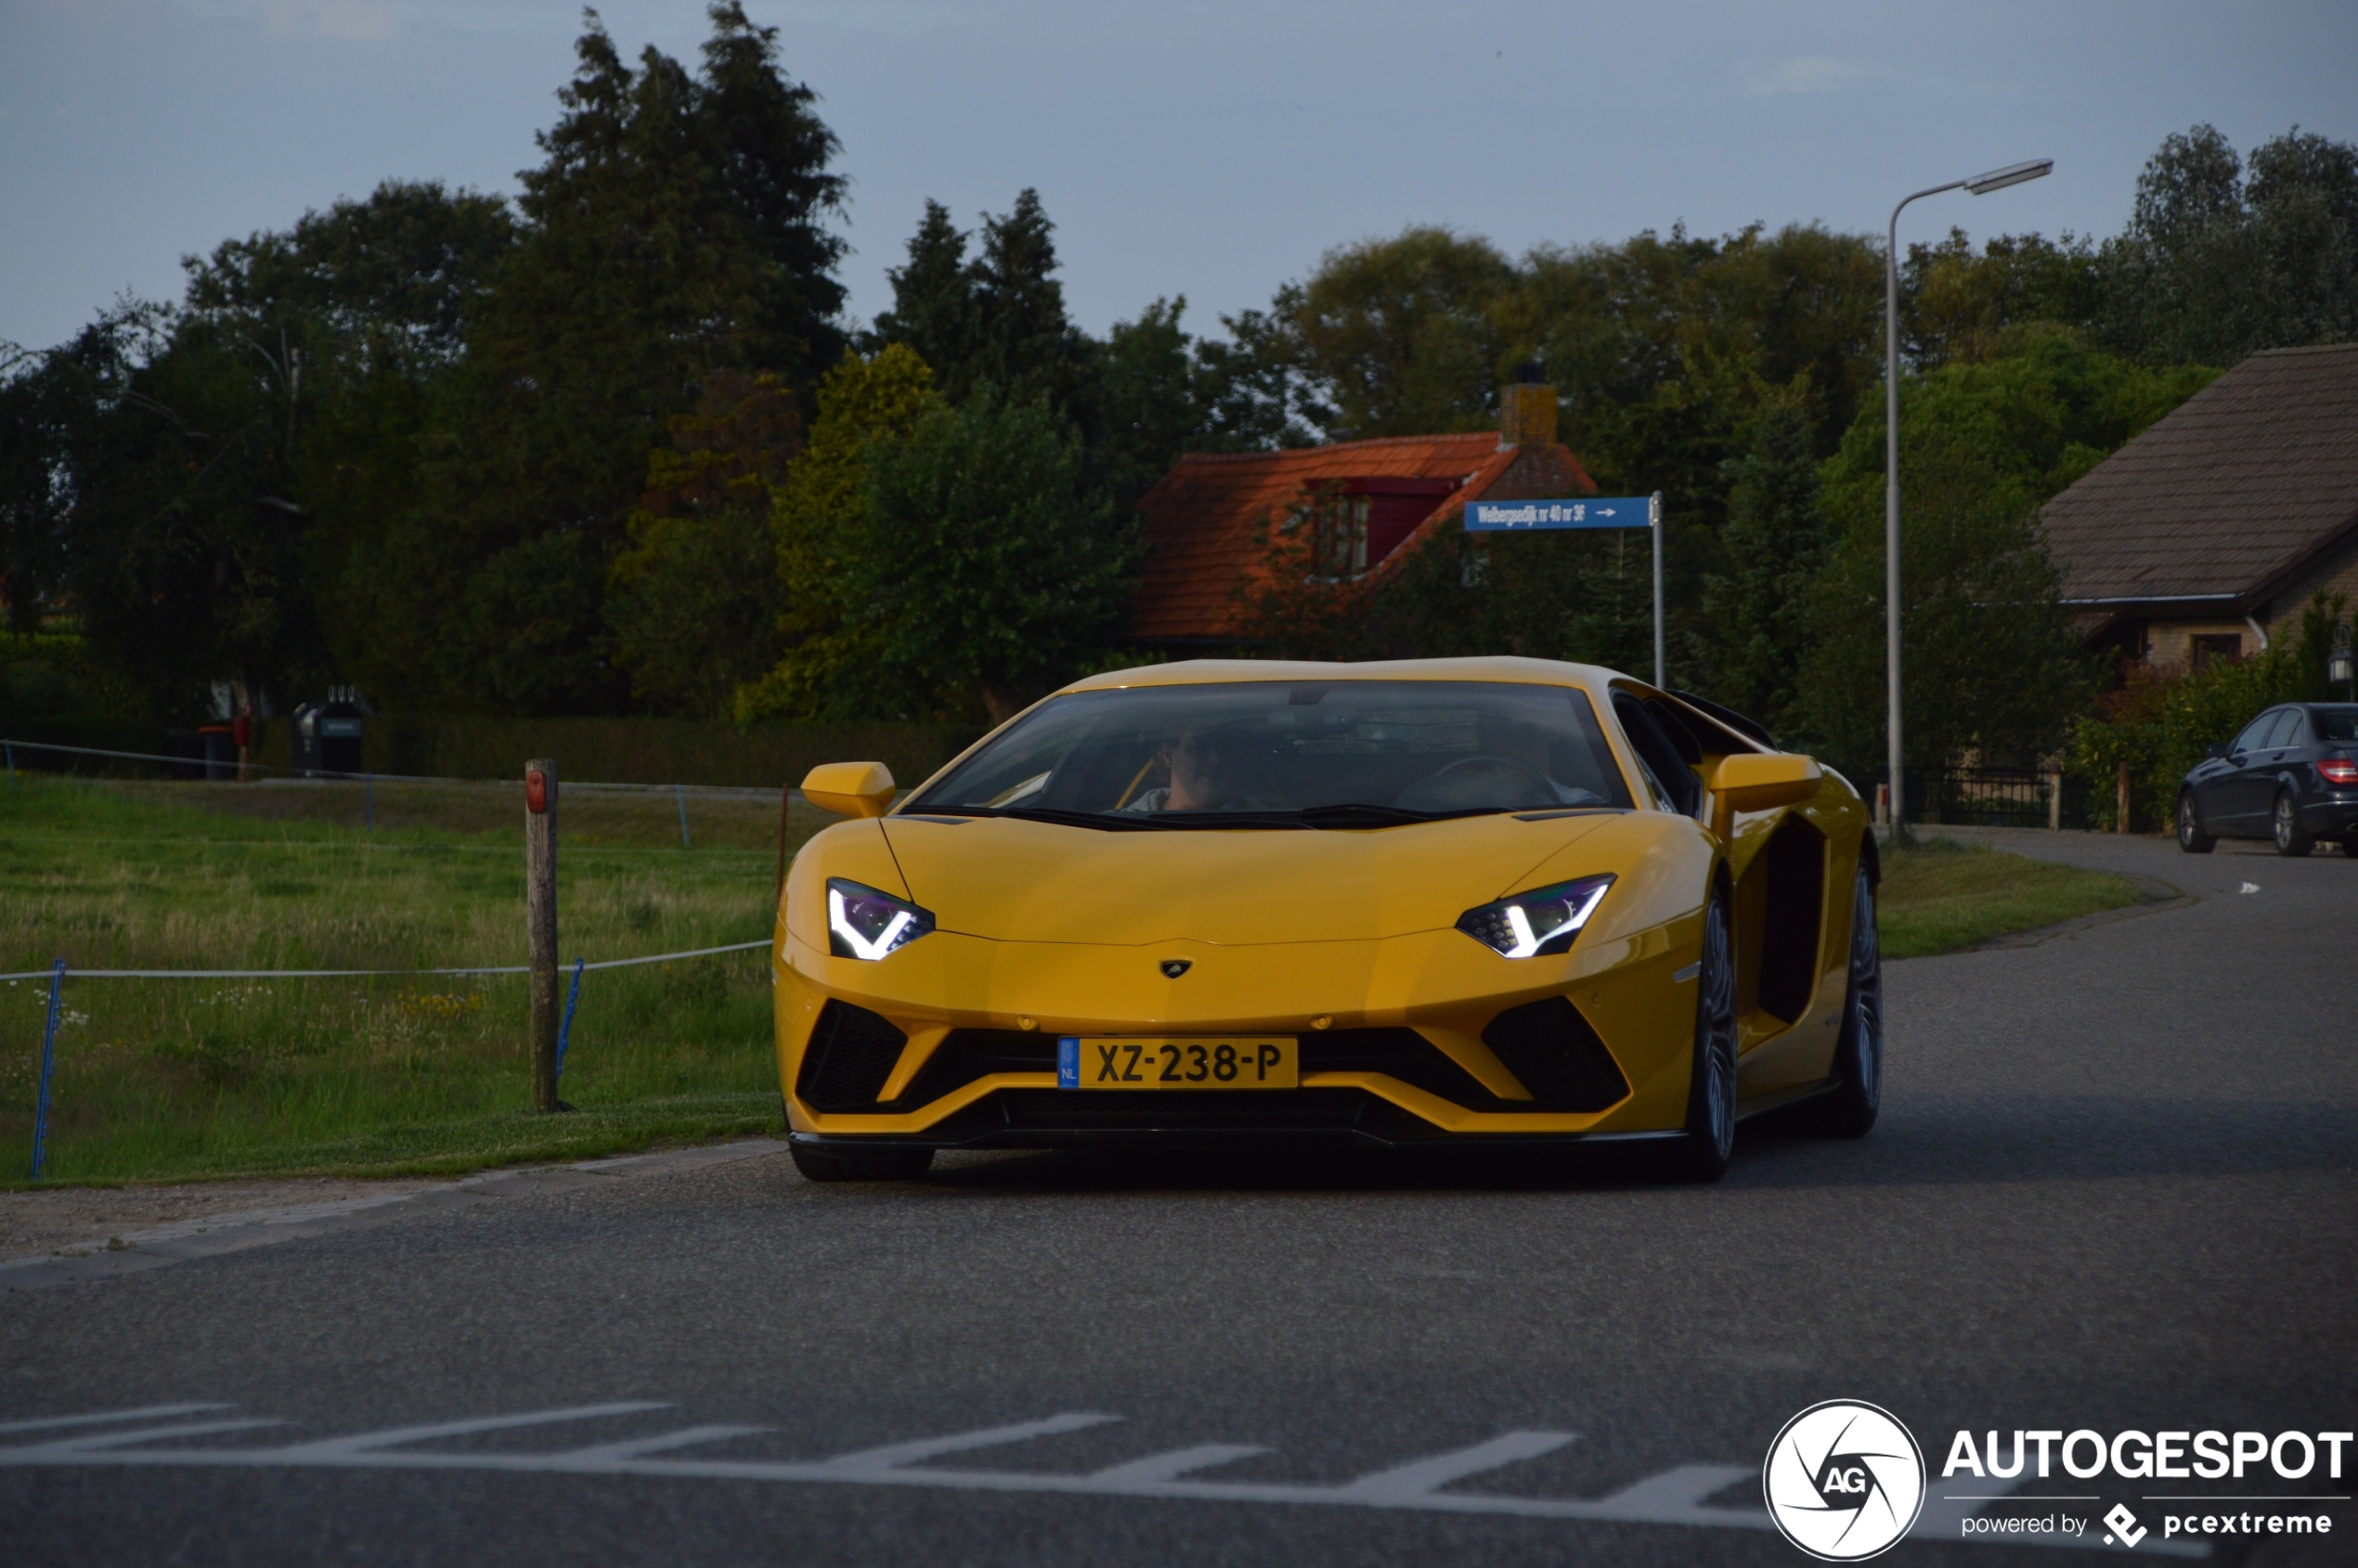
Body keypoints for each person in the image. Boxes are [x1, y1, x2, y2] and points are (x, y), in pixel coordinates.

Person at [1119, 727, 1282, 812]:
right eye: (1199, 748)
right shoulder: (1115, 828)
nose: (1216, 759)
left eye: (1224, 748)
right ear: (1168, 755)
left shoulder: (1273, 822)